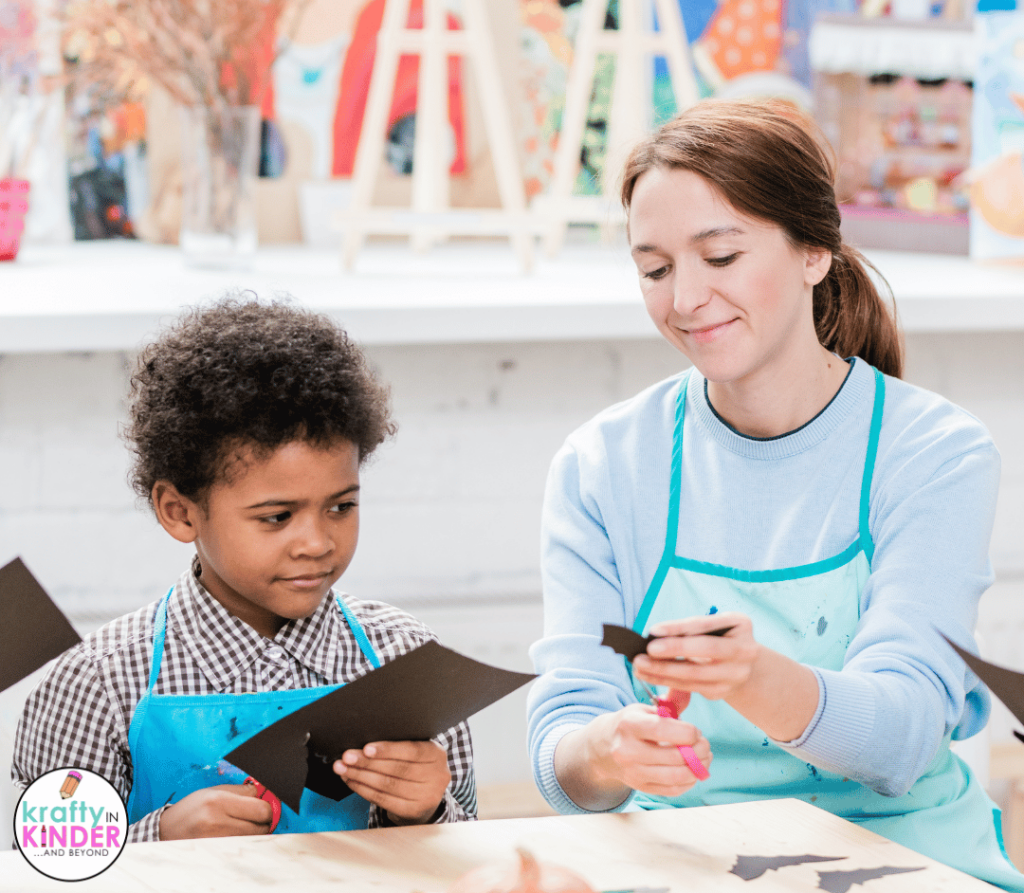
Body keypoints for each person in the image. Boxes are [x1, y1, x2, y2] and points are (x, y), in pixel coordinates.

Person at [526, 100, 1024, 891]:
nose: (685, 299)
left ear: (814, 253)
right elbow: (563, 741)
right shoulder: (602, 464)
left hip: (905, 860)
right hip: (684, 864)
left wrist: (751, 676)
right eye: (655, 270)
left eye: (720, 256)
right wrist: (606, 749)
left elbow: (898, 743)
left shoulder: (934, 452)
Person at [12, 297, 477, 842]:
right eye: (277, 517)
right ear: (179, 511)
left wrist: (424, 811)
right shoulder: (98, 683)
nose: (317, 542)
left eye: (341, 507)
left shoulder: (406, 662)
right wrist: (159, 838)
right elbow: (43, 865)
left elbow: (470, 852)